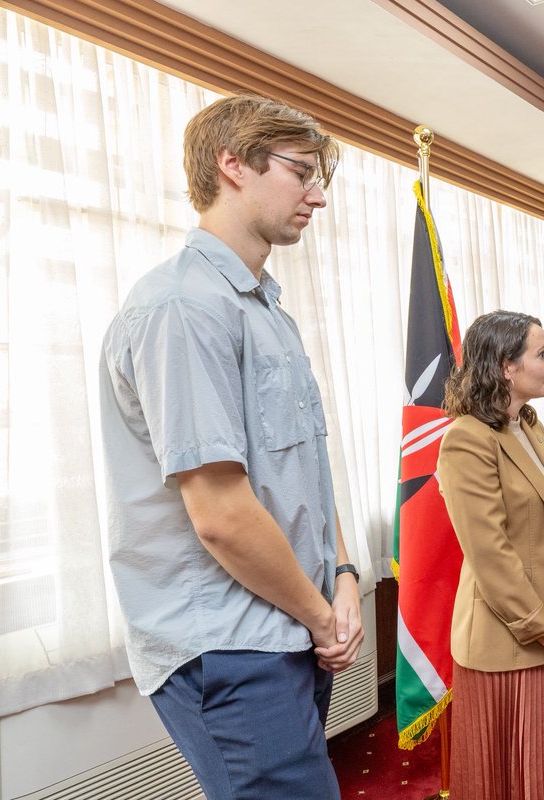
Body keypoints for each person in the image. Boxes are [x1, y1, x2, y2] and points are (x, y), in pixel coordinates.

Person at [99, 95, 363, 799]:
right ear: (232, 165)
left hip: (289, 625)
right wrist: (319, 612)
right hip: (232, 644)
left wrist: (342, 577)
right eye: (301, 172)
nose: (317, 196)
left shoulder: (265, 308)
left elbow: (303, 471)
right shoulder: (182, 306)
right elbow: (219, 512)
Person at [436, 310, 544, 800]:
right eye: (542, 354)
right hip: (508, 641)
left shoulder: (528, 424)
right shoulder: (467, 439)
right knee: (515, 778)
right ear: (506, 367)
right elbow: (491, 557)